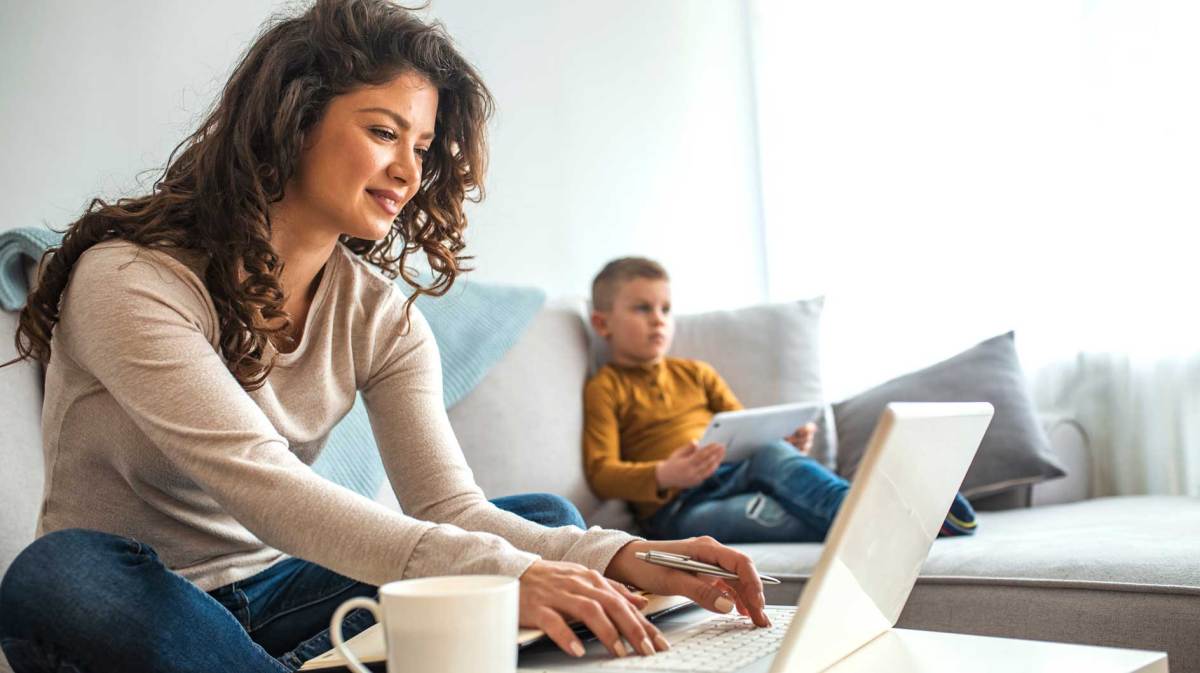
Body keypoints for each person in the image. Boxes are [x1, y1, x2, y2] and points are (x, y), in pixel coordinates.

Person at [0, 3, 774, 671]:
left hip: (281, 592)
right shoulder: (131, 280)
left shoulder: (382, 317)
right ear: (294, 121)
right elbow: (264, 485)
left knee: (548, 520)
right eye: (383, 132)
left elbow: (451, 507)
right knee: (59, 576)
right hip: (139, 592)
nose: (409, 170)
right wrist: (507, 576)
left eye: (424, 147)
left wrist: (626, 554)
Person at [583, 257, 979, 542]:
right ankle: (905, 518)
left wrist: (782, 441)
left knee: (773, 453)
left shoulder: (695, 372)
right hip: (676, 511)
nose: (658, 319)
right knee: (774, 514)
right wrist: (663, 476)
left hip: (736, 472)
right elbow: (601, 472)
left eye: (666, 309)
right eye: (642, 308)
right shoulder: (606, 387)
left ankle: (885, 514)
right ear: (602, 323)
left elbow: (744, 431)